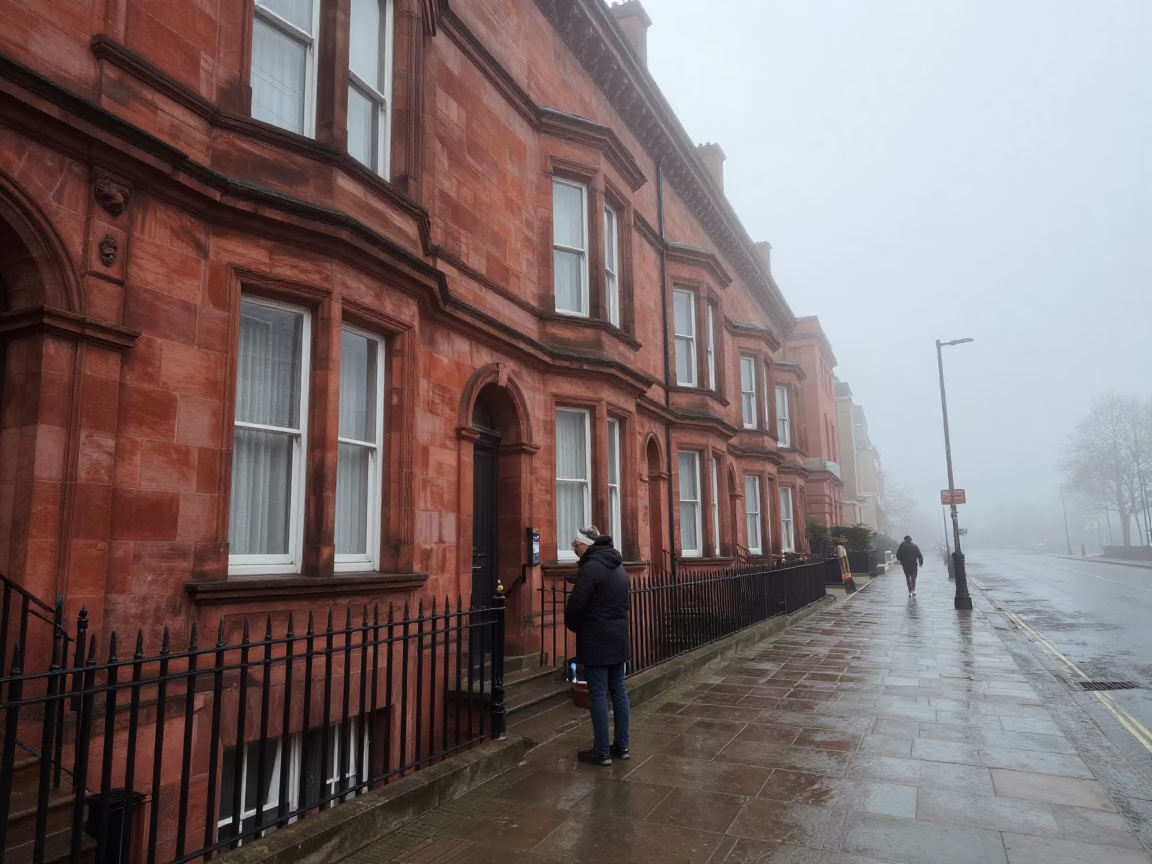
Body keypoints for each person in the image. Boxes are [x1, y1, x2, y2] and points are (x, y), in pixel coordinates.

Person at [564, 525, 630, 765]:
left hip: (596, 640)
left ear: (585, 545)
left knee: (598, 695)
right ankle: (622, 747)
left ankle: (601, 751)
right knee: (619, 692)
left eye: (576, 546)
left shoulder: (590, 568)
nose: (575, 550)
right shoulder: (618, 565)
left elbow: (575, 607)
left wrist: (575, 626)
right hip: (619, 637)